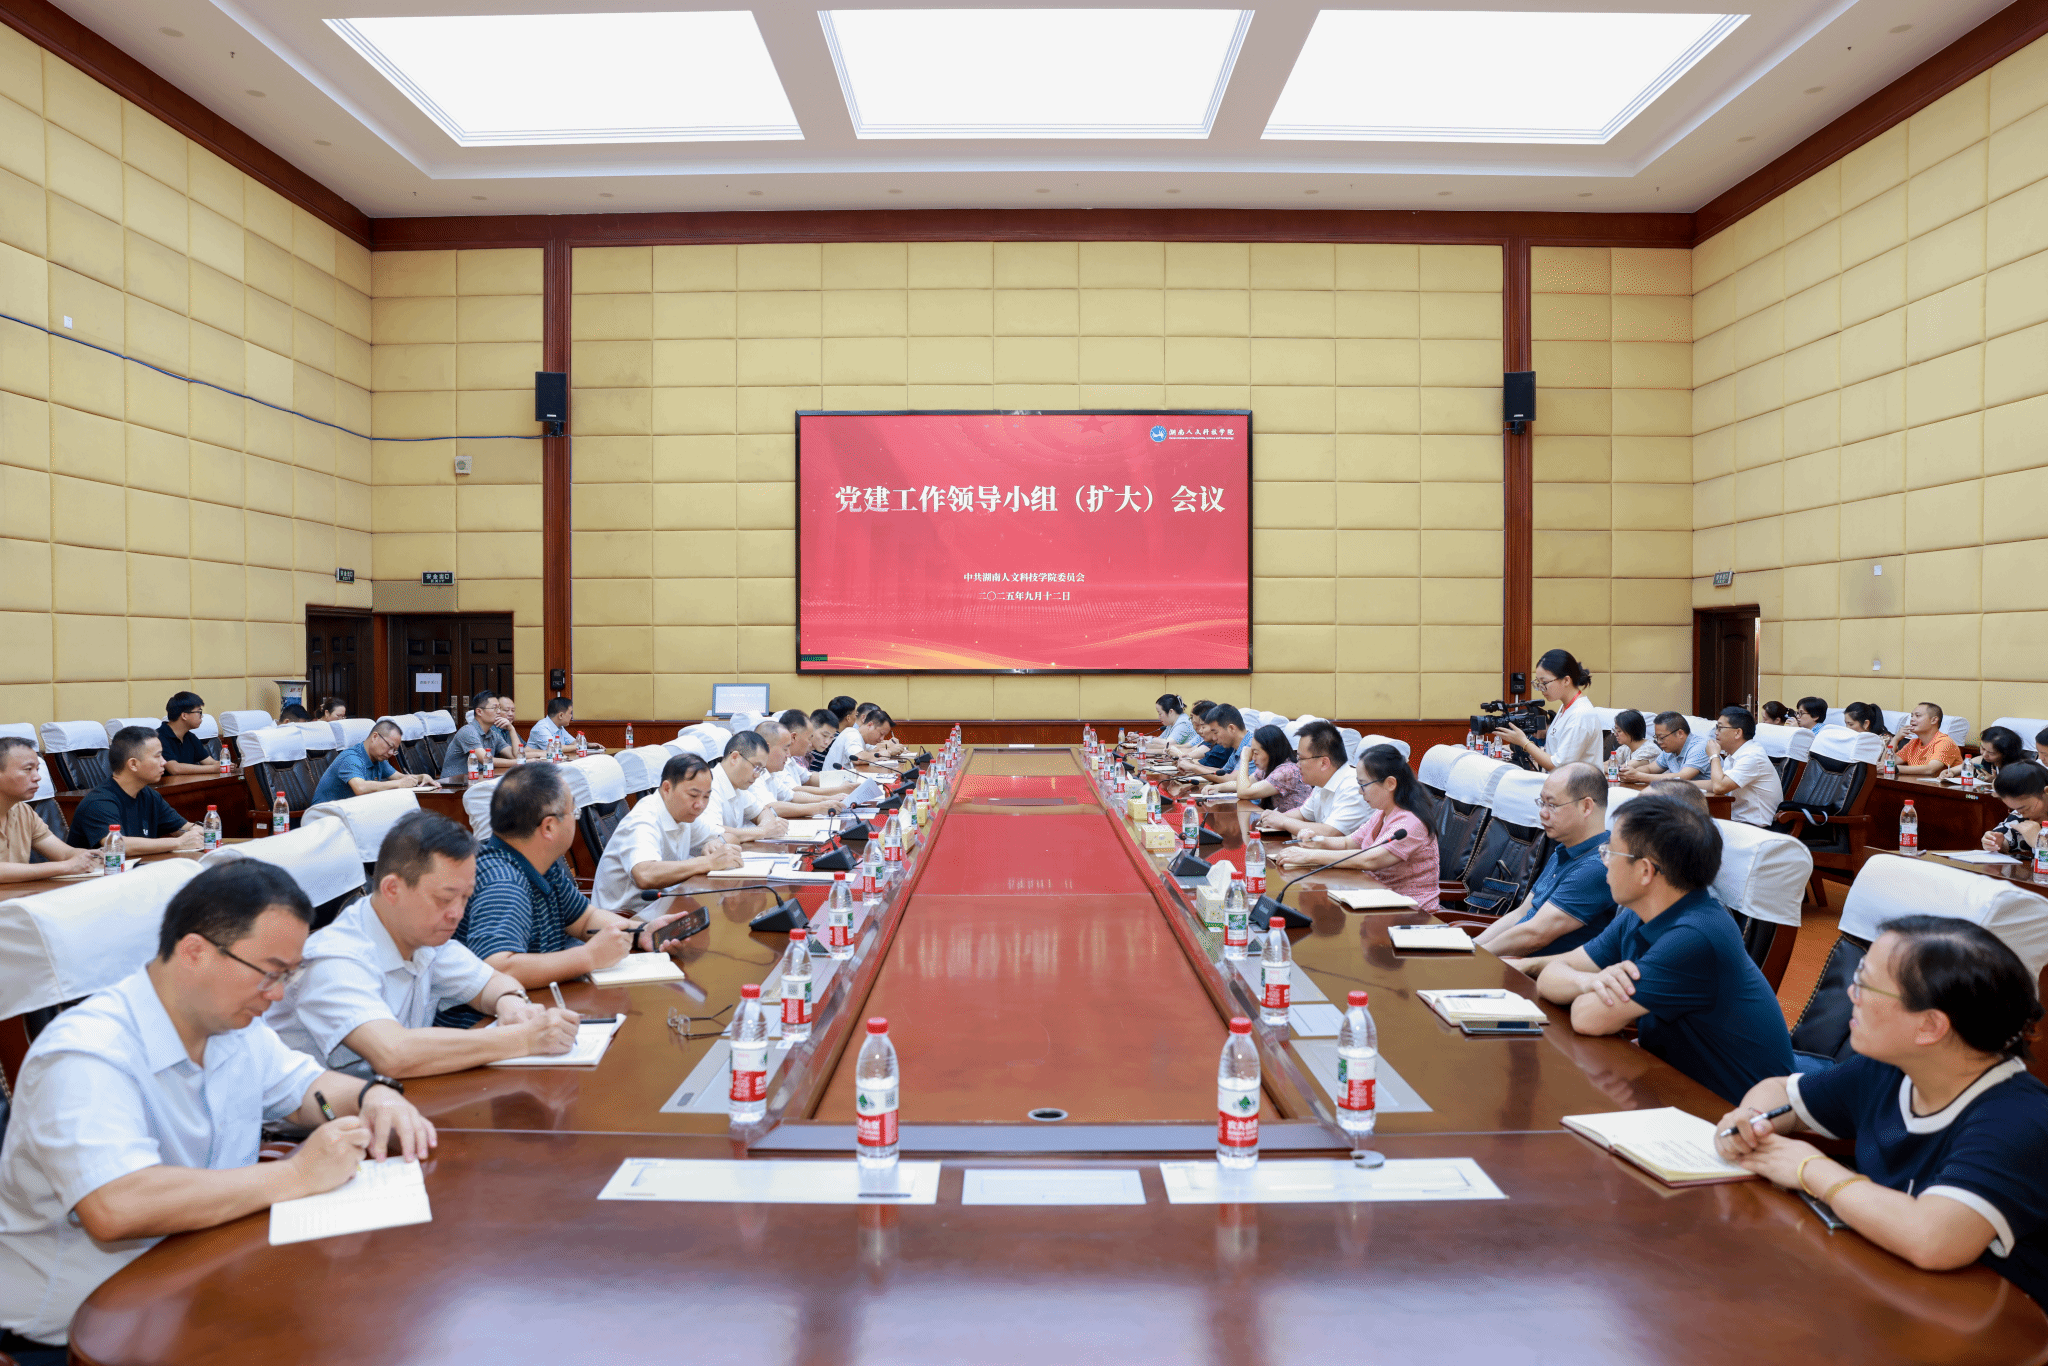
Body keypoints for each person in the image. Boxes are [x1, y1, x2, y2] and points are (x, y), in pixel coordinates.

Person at [0, 861, 436, 1363]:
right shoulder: (87, 1054)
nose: (277, 994)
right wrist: (298, 1174)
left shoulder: (231, 1027)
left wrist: (375, 1096)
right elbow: (117, 1205)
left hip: (198, 1282)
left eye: (288, 975)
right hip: (79, 1336)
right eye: (269, 972)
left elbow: (307, 1089)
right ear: (195, 952)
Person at [1713, 917, 2048, 1307]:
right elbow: (1781, 1092)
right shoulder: (1891, 1069)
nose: (1851, 992)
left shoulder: (2016, 1120)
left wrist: (1810, 1169)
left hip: (1994, 1322)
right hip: (1892, 1291)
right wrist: (1751, 1118)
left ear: (1930, 1026)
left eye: (1865, 983)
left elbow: (1933, 1239)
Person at [266, 812, 582, 1078]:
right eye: (445, 898)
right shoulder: (335, 961)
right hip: (321, 1124)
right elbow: (393, 1054)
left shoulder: (422, 936)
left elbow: (492, 982)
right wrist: (522, 1038)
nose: (457, 913)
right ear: (392, 889)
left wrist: (512, 1004)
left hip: (395, 1101)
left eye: (465, 897)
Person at [1535, 797, 1794, 1102]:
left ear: (1645, 871)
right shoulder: (1638, 914)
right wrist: (1588, 981)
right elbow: (1550, 974)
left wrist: (1586, 987)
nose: (1603, 860)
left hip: (1730, 1111)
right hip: (1671, 1086)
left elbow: (1587, 1018)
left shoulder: (1696, 936)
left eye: (1610, 852)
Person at [440, 765, 686, 1026]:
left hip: (539, 1005)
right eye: (574, 812)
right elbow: (498, 967)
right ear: (548, 827)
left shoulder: (541, 863)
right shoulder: (503, 882)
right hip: (487, 1028)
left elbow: (584, 919)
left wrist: (641, 931)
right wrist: (589, 957)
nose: (575, 820)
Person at [1473, 762, 1617, 969]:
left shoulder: (1597, 866)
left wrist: (1475, 955)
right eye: (1542, 803)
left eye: (1552, 805)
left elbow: (1535, 934)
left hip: (1540, 978)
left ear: (1586, 807)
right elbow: (1521, 913)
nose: (1542, 813)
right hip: (1514, 965)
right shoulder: (1563, 850)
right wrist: (1471, 947)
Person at [1275, 745, 1441, 909]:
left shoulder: (1411, 822)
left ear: (1390, 783)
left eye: (1363, 784)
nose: (1360, 792)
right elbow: (1348, 843)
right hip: (1377, 898)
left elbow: (1370, 859)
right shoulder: (1382, 812)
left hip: (1414, 911)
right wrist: (1317, 840)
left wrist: (1310, 856)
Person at [591, 754, 744, 910]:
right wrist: (708, 862)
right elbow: (644, 874)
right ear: (667, 788)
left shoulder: (685, 815)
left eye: (706, 796)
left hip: (666, 906)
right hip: (626, 918)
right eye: (693, 795)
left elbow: (731, 837)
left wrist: (717, 843)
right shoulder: (643, 819)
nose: (700, 805)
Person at [64, 727, 200, 853]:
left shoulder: (150, 795)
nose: (164, 762)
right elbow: (117, 844)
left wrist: (198, 830)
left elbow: (183, 827)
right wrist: (178, 843)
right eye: (158, 756)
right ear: (133, 764)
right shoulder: (98, 802)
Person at [0, 737, 94, 883]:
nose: (37, 777)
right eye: (28, 769)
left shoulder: (24, 811)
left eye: (37, 769)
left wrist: (89, 856)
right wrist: (65, 866)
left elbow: (64, 853)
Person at [1254, 722, 1368, 839]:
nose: (1297, 765)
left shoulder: (1353, 786)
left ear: (1324, 763)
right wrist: (1273, 817)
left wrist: (1283, 821)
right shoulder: (1323, 781)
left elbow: (1331, 832)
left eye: (1301, 758)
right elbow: (1303, 815)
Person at [1498, 649, 1601, 772]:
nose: (1541, 688)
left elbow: (1558, 766)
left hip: (1578, 783)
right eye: (1538, 682)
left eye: (1545, 682)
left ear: (1566, 680)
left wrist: (1523, 742)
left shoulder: (1580, 714)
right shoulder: (1566, 707)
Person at [310, 718, 434, 806]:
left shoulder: (378, 758)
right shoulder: (351, 758)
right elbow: (360, 787)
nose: (391, 753)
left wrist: (421, 777)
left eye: (394, 750)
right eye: (390, 746)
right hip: (325, 816)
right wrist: (398, 784)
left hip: (350, 812)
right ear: (375, 737)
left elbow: (400, 777)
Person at [1704, 706, 1784, 827]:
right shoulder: (1735, 754)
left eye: (1720, 728)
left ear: (1737, 733)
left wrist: (1714, 756)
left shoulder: (1752, 756)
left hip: (1755, 827)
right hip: (1737, 821)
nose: (1716, 732)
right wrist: (1682, 784)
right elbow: (1715, 783)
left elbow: (1719, 787)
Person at [708, 732, 791, 843]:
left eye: (761, 770)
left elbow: (763, 811)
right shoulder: (709, 785)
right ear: (734, 758)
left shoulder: (738, 785)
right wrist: (762, 831)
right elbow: (714, 832)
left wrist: (765, 827)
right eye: (756, 767)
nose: (757, 775)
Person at [1207, 725, 1310, 810]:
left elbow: (1243, 792)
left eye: (1256, 753)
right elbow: (1244, 783)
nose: (1253, 758)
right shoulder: (1268, 768)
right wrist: (1217, 788)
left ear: (1271, 752)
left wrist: (1244, 759)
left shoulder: (1286, 772)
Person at [440, 690, 521, 782]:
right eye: (495, 708)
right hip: (454, 785)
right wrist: (520, 762)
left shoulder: (493, 734)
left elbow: (515, 755)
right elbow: (485, 759)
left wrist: (511, 729)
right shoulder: (468, 731)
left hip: (476, 780)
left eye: (499, 708)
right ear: (479, 711)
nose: (499, 712)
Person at [1621, 711, 1709, 785]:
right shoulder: (1669, 749)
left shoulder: (1700, 747)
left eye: (1662, 737)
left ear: (1680, 733)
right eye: (1657, 737)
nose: (1659, 742)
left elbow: (1683, 777)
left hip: (1708, 797)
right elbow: (1650, 769)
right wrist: (1630, 773)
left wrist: (1639, 776)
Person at [1986, 762, 2048, 862]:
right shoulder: (2019, 815)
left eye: (2025, 808)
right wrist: (1998, 844)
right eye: (2014, 809)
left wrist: (2039, 843)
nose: (2022, 814)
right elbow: (2006, 839)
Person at [1895, 702, 1964, 777]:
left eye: (1917, 716)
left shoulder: (1945, 742)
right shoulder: (1913, 743)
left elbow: (1930, 769)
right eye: (1912, 716)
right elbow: (1890, 762)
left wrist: (1894, 768)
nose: (1912, 719)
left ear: (1934, 720)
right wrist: (1895, 739)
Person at [1180, 704, 1248, 779]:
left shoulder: (1251, 746)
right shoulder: (1237, 747)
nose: (1214, 738)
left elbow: (1232, 779)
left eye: (1216, 733)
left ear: (1231, 728)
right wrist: (1193, 765)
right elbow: (1223, 772)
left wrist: (1194, 767)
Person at [154, 692, 215, 775]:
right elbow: (175, 769)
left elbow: (209, 762)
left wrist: (225, 765)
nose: (202, 716)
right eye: (199, 712)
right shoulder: (158, 738)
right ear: (184, 716)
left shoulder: (190, 737)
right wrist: (213, 768)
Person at [526, 697, 603, 755]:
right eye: (570, 713)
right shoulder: (541, 728)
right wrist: (581, 746)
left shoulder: (559, 727)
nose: (571, 716)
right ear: (561, 715)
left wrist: (588, 745)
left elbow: (573, 743)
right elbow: (555, 748)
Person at [1946, 725, 2023, 783]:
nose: (1984, 754)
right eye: (1982, 748)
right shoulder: (1981, 760)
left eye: (1991, 753)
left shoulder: (2018, 768)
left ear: (2005, 754)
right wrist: (1950, 772)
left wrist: (1995, 782)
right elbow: (1955, 770)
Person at [822, 709, 888, 774]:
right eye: (881, 734)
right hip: (832, 780)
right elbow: (858, 758)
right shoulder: (852, 734)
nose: (882, 738)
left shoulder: (861, 738)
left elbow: (874, 750)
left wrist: (886, 752)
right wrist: (880, 755)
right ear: (870, 725)